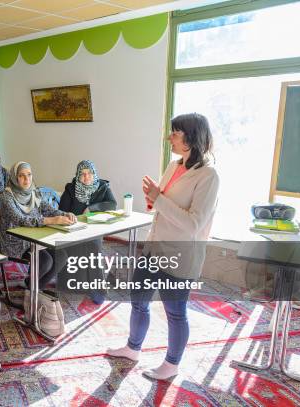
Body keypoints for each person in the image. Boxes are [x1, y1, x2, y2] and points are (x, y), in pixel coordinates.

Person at [106, 113, 220, 380]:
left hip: (180, 255)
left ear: (192, 138)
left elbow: (193, 223)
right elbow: (165, 203)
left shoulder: (209, 176)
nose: (170, 137)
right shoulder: (173, 164)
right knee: (138, 301)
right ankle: (132, 348)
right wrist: (155, 197)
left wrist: (159, 199)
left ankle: (171, 364)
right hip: (154, 249)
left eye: (176, 133)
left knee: (175, 313)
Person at [0, 162, 76, 288]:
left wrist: (65, 214)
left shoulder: (34, 192)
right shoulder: (6, 196)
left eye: (29, 175)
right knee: (45, 261)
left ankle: (33, 288)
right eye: (21, 176)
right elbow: (20, 219)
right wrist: (51, 220)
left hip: (35, 237)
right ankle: (33, 291)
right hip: (16, 241)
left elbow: (49, 209)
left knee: (61, 256)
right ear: (14, 177)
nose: (26, 179)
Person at [59, 160, 117, 304]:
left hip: (93, 229)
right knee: (84, 247)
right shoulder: (71, 189)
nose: (86, 177)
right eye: (82, 174)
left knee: (93, 246)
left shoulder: (102, 187)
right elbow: (62, 210)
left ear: (94, 174)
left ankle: (97, 288)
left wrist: (92, 208)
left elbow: (112, 204)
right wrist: (69, 217)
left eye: (89, 173)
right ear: (78, 176)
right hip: (73, 230)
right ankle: (82, 285)